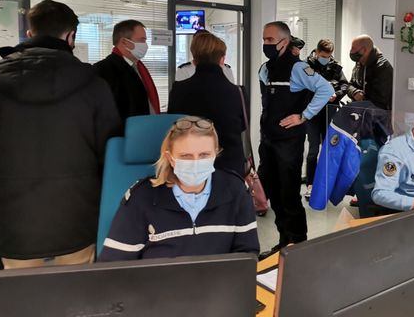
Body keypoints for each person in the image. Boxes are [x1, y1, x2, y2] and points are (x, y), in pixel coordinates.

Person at [0, 0, 121, 268]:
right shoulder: (94, 85)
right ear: (71, 36)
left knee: (18, 301)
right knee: (77, 299)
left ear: (30, 34)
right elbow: (110, 154)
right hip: (77, 217)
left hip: (10, 222)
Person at [99, 116, 259, 261]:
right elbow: (113, 266)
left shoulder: (236, 191)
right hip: (157, 291)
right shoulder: (140, 199)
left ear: (215, 154)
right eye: (186, 156)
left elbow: (247, 256)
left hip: (218, 290)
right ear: (171, 158)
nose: (196, 162)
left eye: (204, 155)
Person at [258, 21, 334, 257]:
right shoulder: (265, 69)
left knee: (289, 194)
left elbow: (325, 89)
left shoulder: (299, 69)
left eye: (270, 40)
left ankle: (298, 246)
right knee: (273, 191)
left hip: (289, 142)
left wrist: (304, 116)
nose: (266, 44)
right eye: (264, 39)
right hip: (268, 140)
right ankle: (284, 241)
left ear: (284, 41)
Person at [168, 31, 245, 176]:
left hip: (191, 164)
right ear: (222, 59)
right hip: (229, 165)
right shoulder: (237, 92)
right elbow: (241, 126)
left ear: (195, 59)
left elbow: (174, 124)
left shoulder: (179, 89)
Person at [304, 39, 348, 198]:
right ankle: (310, 184)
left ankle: (327, 184)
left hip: (330, 113)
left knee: (330, 150)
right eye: (323, 56)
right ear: (316, 52)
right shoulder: (307, 67)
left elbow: (344, 85)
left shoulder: (336, 67)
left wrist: (336, 94)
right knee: (313, 150)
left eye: (328, 56)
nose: (325, 59)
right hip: (313, 114)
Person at [94, 20, 160, 124]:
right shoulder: (104, 69)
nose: (145, 45)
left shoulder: (139, 67)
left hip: (146, 130)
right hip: (125, 135)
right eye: (141, 40)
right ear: (124, 42)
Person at [347, 34, 394, 110]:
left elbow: (379, 101)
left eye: (353, 48)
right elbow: (349, 85)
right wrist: (354, 92)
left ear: (364, 50)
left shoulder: (382, 67)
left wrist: (361, 99)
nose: (351, 51)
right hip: (362, 113)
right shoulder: (359, 63)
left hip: (379, 116)